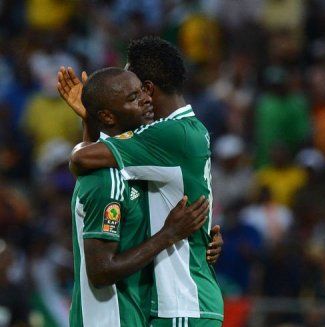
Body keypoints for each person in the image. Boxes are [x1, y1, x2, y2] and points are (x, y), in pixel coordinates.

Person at [60, 36, 224, 326]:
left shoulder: (170, 135)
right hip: (174, 300)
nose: (138, 97)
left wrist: (93, 119)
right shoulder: (172, 134)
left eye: (135, 90)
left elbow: (80, 160)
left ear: (148, 89)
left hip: (181, 301)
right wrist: (95, 119)